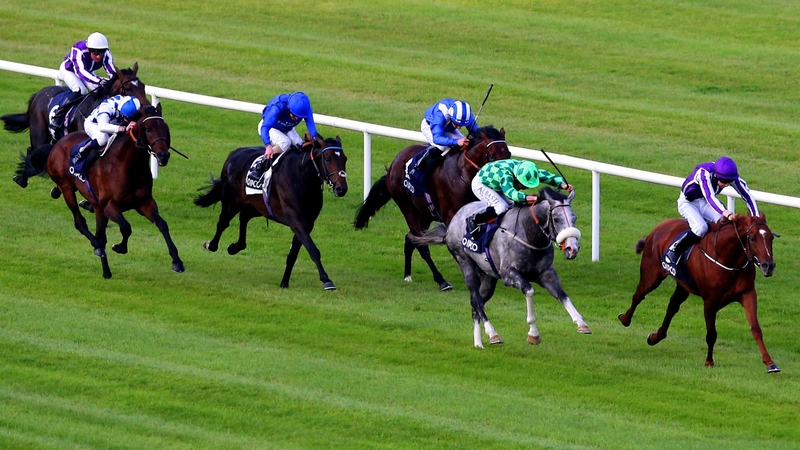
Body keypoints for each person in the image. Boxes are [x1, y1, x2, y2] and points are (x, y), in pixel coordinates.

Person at [662, 156, 759, 270]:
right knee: (701, 227)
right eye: (723, 181)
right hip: (688, 203)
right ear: (716, 175)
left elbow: (748, 196)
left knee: (725, 224)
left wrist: (756, 219)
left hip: (704, 202)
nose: (726, 185)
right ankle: (672, 251)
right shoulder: (704, 174)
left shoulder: (729, 176)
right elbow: (710, 197)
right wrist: (726, 213)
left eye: (729, 182)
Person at [466, 159, 572, 237]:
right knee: (501, 207)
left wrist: (562, 184)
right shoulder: (506, 175)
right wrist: (526, 198)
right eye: (524, 184)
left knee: (512, 205)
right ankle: (475, 220)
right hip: (481, 184)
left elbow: (550, 177)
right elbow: (510, 192)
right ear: (517, 178)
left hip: (497, 183)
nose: (526, 187)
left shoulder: (529, 171)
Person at [52, 32, 117, 130]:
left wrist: (113, 81)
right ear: (88, 49)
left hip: (88, 71)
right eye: (95, 52)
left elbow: (112, 71)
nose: (99, 56)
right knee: (80, 90)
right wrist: (99, 80)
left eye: (101, 52)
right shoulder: (78, 49)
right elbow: (80, 72)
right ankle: (58, 116)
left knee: (97, 90)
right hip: (70, 70)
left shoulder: (106, 53)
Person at [73, 95, 140, 167]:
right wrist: (123, 128)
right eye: (128, 118)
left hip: (112, 121)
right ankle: (82, 151)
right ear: (121, 113)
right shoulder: (107, 108)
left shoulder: (128, 103)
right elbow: (102, 127)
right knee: (103, 138)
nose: (129, 121)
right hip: (94, 124)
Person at [415, 98, 480, 172]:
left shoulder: (466, 115)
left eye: (462, 125)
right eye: (457, 124)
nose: (459, 128)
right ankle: (420, 163)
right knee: (443, 147)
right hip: (430, 127)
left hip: (448, 128)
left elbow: (476, 131)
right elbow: (437, 138)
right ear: (451, 117)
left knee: (464, 146)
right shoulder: (440, 114)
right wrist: (456, 141)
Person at [258, 92, 318, 159]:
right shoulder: (278, 107)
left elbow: (311, 124)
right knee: (285, 142)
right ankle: (263, 160)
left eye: (300, 117)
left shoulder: (305, 110)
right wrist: (268, 146)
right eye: (295, 115)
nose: (297, 119)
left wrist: (314, 137)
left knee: (299, 145)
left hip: (287, 128)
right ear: (288, 108)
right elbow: (265, 127)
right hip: (270, 128)